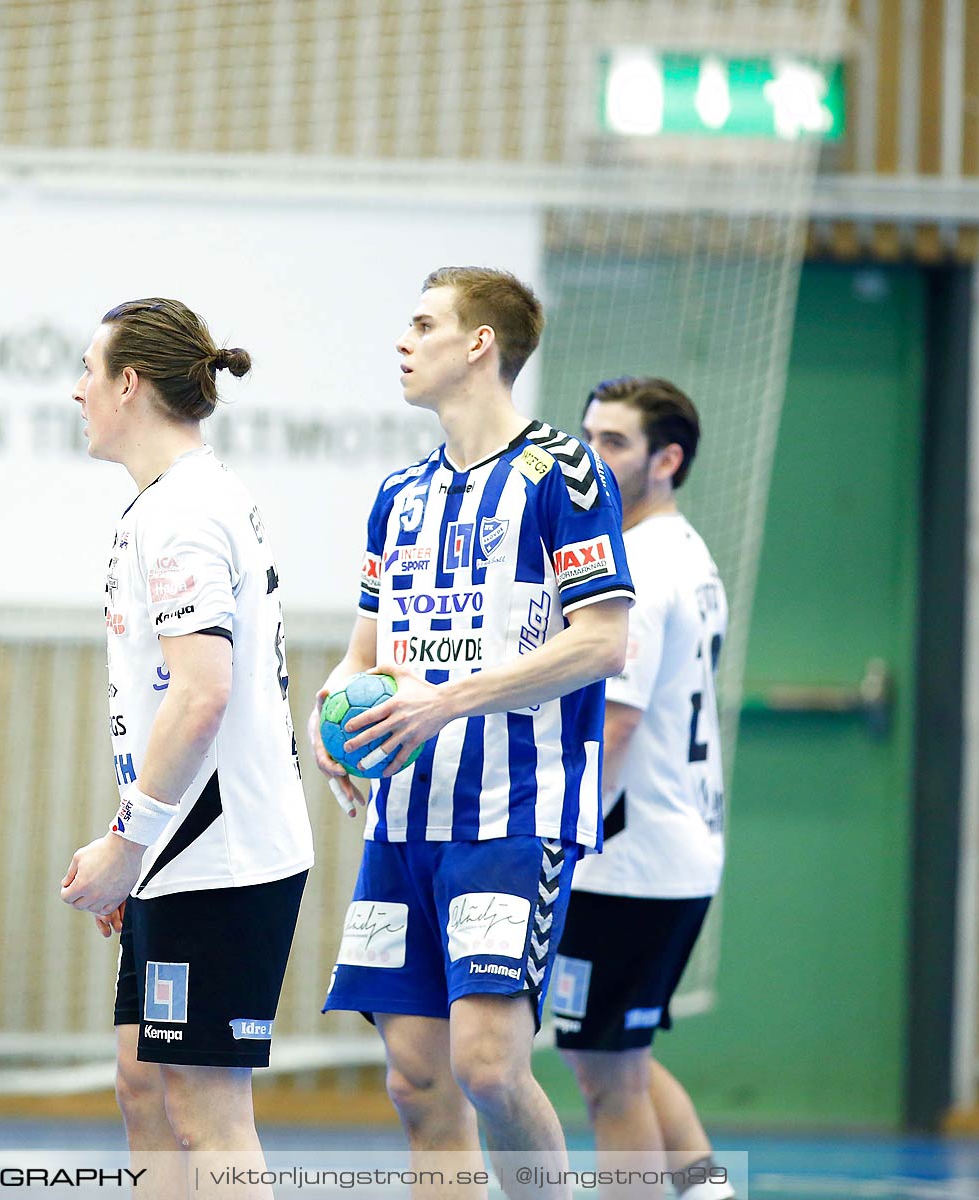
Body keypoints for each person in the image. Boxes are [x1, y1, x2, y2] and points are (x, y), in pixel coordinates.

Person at [314, 267, 632, 1198]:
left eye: (424, 324)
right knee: (416, 1081)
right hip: (405, 820)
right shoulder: (399, 495)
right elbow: (363, 653)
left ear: (480, 344)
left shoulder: (564, 474)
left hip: (515, 811)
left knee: (488, 1068)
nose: (403, 342)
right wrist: (332, 721)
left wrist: (447, 699)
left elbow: (604, 641)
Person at [59, 299, 313, 1198]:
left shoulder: (188, 512)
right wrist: (141, 847)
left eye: (89, 368)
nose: (77, 388)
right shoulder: (164, 504)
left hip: (225, 856)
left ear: (129, 383)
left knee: (209, 1115)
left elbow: (203, 695)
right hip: (182, 847)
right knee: (143, 1087)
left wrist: (130, 842)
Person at [552, 378, 732, 1200]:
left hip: (628, 862)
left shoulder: (643, 573)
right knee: (619, 1052)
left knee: (603, 1076)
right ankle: (706, 1190)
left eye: (614, 443)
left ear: (668, 460)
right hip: (674, 850)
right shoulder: (688, 554)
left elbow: (614, 731)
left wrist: (559, 839)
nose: (589, 457)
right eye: (586, 435)